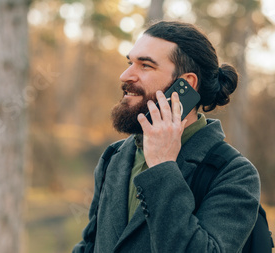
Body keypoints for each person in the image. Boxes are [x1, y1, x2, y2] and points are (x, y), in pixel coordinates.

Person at [73, 20, 260, 253]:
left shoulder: (234, 173)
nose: (125, 75)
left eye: (145, 66)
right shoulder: (114, 156)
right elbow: (90, 245)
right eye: (130, 63)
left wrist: (163, 167)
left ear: (186, 84)